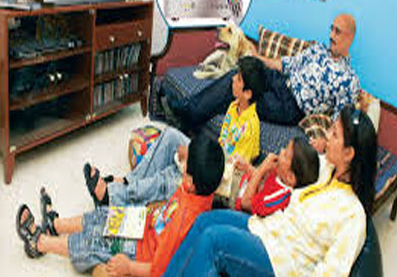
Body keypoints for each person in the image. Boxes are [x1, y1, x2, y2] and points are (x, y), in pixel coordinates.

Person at [163, 104, 377, 277]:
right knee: (204, 222)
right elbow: (289, 169)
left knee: (213, 241)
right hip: (268, 229)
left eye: (335, 134)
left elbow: (333, 272)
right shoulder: (324, 167)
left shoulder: (352, 215)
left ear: (349, 153)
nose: (327, 136)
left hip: (283, 263)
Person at [15, 132, 225, 277]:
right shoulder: (197, 190)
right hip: (145, 225)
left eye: (186, 163)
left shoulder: (184, 222)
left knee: (93, 242)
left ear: (190, 181)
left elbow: (159, 270)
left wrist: (129, 267)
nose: (182, 162)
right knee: (103, 216)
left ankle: (39, 243)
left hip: (139, 252)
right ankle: (55, 225)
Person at [83, 56, 267, 208]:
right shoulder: (234, 106)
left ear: (248, 93)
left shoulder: (250, 127)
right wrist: (194, 153)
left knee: (171, 176)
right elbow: (219, 148)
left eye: (238, 78)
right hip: (212, 159)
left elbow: (227, 172)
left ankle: (111, 197)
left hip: (217, 180)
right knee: (171, 135)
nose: (233, 79)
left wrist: (193, 159)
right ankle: (127, 181)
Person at [176, 13, 360, 128]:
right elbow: (286, 64)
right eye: (332, 29)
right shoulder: (318, 49)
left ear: (350, 38)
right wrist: (257, 58)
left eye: (338, 32)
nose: (331, 36)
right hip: (279, 80)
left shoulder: (348, 80)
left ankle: (187, 113)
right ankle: (191, 111)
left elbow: (340, 121)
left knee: (239, 87)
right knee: (243, 70)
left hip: (291, 105)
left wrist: (324, 140)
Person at [235, 136, 319, 215]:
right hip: (241, 182)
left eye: (285, 155)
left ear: (290, 178)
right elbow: (261, 179)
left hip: (236, 201)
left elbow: (245, 203)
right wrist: (248, 167)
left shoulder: (279, 198)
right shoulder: (281, 173)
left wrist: (262, 168)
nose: (281, 151)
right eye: (285, 148)